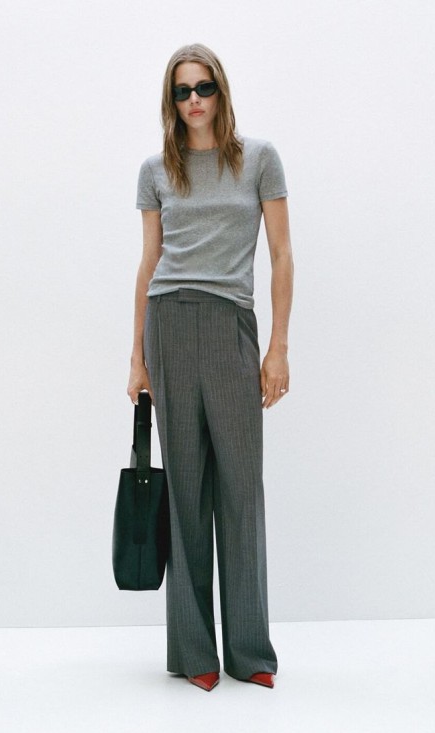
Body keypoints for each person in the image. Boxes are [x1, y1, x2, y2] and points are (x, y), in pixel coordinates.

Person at [127, 43, 293, 692]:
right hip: (168, 320)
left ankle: (249, 650)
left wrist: (277, 348)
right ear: (170, 102)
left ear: (221, 91)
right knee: (186, 489)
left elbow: (281, 254)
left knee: (241, 488)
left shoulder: (259, 160)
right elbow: (149, 262)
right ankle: (195, 649)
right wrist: (136, 355)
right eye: (181, 91)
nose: (193, 100)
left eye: (203, 87)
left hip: (231, 324)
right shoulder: (156, 170)